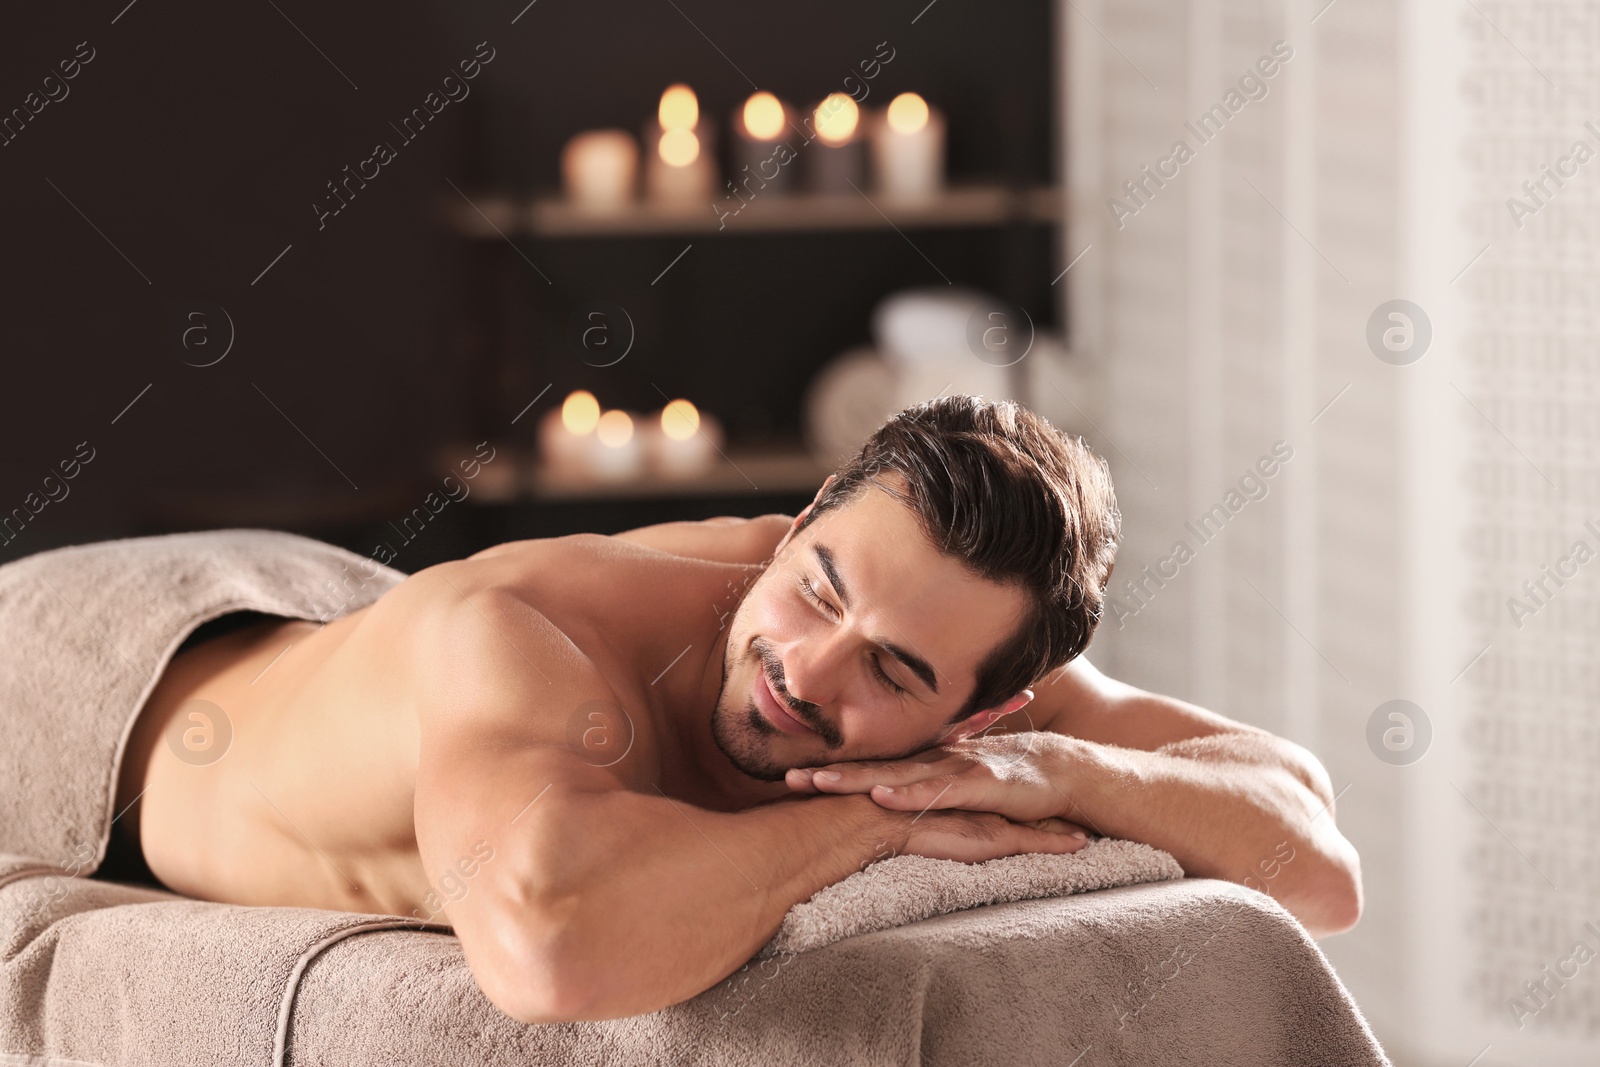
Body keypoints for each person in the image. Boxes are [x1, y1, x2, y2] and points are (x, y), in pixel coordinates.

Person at [112, 395, 1362, 1025]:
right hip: (129, 675)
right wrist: (873, 821)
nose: (809, 671)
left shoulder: (957, 652)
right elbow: (547, 944)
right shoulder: (523, 634)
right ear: (807, 513)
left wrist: (1065, 770)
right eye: (816, 588)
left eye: (895, 675)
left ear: (983, 713)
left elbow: (1312, 857)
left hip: (329, 624)